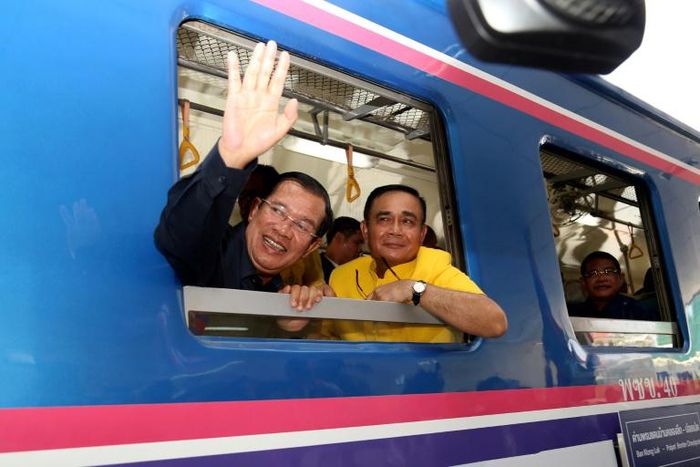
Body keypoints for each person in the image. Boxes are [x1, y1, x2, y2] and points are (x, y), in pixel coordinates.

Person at [155, 41, 333, 334]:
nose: (284, 229)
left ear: (312, 247)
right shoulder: (212, 252)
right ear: (252, 210)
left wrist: (290, 326)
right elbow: (178, 236)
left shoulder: (280, 291)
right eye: (278, 210)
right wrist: (231, 158)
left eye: (302, 225)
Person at [319, 184, 508, 343]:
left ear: (422, 234)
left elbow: (495, 322)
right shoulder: (342, 275)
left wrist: (415, 290)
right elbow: (326, 336)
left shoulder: (436, 267)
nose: (395, 230)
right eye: (384, 219)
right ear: (365, 229)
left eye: (407, 221)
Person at [568, 251, 658, 321]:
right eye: (593, 273)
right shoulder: (571, 315)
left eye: (609, 271)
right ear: (583, 282)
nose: (602, 278)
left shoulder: (640, 312)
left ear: (621, 278)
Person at [320, 216, 363, 282]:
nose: (360, 249)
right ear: (339, 238)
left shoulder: (357, 272)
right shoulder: (316, 272)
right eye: (356, 243)